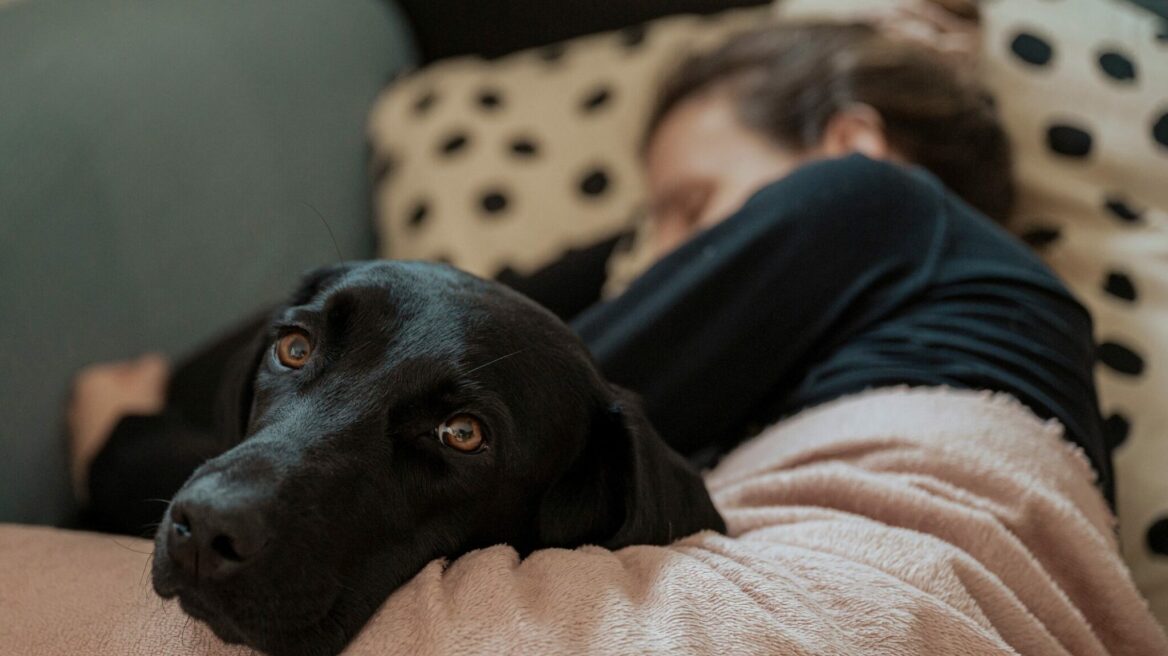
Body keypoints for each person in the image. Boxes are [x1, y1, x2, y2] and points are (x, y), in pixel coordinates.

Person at [68, 15, 1113, 536]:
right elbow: (469, 295)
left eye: (693, 207)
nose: (652, 256)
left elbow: (482, 394)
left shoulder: (865, 201)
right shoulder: (946, 304)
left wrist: (130, 449)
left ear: (851, 142)